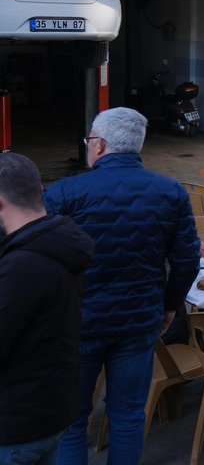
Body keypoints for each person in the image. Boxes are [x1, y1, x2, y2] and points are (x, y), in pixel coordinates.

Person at [43, 108, 199, 465]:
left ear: (98, 145)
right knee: (128, 415)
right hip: (139, 319)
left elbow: (41, 258)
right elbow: (187, 260)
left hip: (79, 322)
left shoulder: (66, 192)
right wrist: (169, 305)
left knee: (71, 420)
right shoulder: (171, 192)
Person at [0, 154, 93, 465]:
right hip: (53, 410)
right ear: (40, 189)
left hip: (17, 425)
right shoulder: (60, 242)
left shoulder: (21, 267)